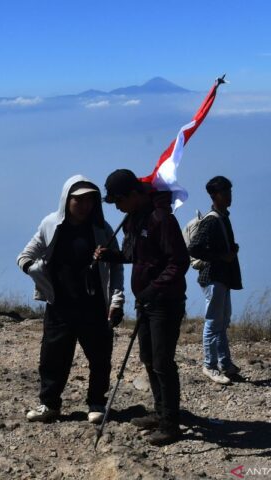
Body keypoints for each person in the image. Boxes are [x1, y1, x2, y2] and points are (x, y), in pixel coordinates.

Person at [17, 175, 124, 424]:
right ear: (67, 199)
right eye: (79, 200)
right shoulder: (50, 224)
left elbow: (116, 267)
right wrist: (32, 269)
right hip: (60, 305)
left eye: (90, 200)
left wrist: (116, 300)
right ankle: (49, 404)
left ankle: (97, 402)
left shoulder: (102, 229)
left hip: (95, 304)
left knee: (99, 357)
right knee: (53, 357)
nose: (85, 205)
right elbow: (26, 254)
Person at [96, 169, 190, 446]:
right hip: (146, 301)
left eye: (119, 201)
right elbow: (134, 255)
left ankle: (171, 424)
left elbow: (179, 262)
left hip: (165, 302)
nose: (117, 207)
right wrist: (111, 255)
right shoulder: (133, 219)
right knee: (148, 358)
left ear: (134, 194)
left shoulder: (162, 219)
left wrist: (153, 289)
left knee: (163, 362)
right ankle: (160, 413)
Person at [188, 176, 242, 385]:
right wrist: (221, 256)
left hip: (221, 278)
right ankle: (209, 366)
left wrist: (228, 251)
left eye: (230, 191)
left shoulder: (221, 218)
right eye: (225, 192)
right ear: (214, 195)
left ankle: (225, 363)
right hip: (213, 277)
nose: (229, 196)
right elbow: (194, 247)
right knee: (213, 322)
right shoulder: (212, 219)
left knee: (222, 321)